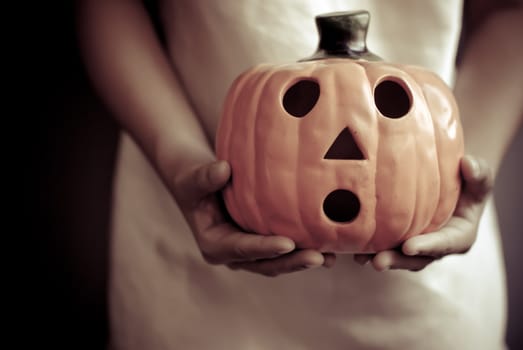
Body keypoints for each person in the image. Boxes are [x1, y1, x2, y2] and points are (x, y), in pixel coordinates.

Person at [77, 0, 522, 349]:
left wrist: (459, 171)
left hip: (426, 298)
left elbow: (509, 10)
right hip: (197, 277)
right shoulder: (260, 89)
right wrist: (179, 159)